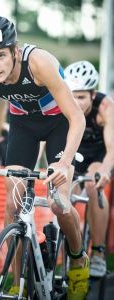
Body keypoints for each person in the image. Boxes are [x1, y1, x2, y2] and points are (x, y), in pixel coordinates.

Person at [0, 16, 88, 300]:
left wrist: (63, 162)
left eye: (0, 55)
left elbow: (77, 118)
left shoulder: (38, 63)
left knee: (59, 201)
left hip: (59, 122)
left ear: (15, 50)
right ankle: (18, 278)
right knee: (13, 201)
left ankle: (78, 260)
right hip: (23, 125)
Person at [64, 60, 114, 277]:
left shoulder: (105, 107)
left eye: (82, 97)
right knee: (63, 194)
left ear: (93, 95)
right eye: (72, 95)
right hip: (74, 156)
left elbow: (112, 147)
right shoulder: (61, 103)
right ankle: (68, 251)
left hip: (99, 157)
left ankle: (98, 253)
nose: (75, 102)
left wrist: (104, 169)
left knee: (94, 183)